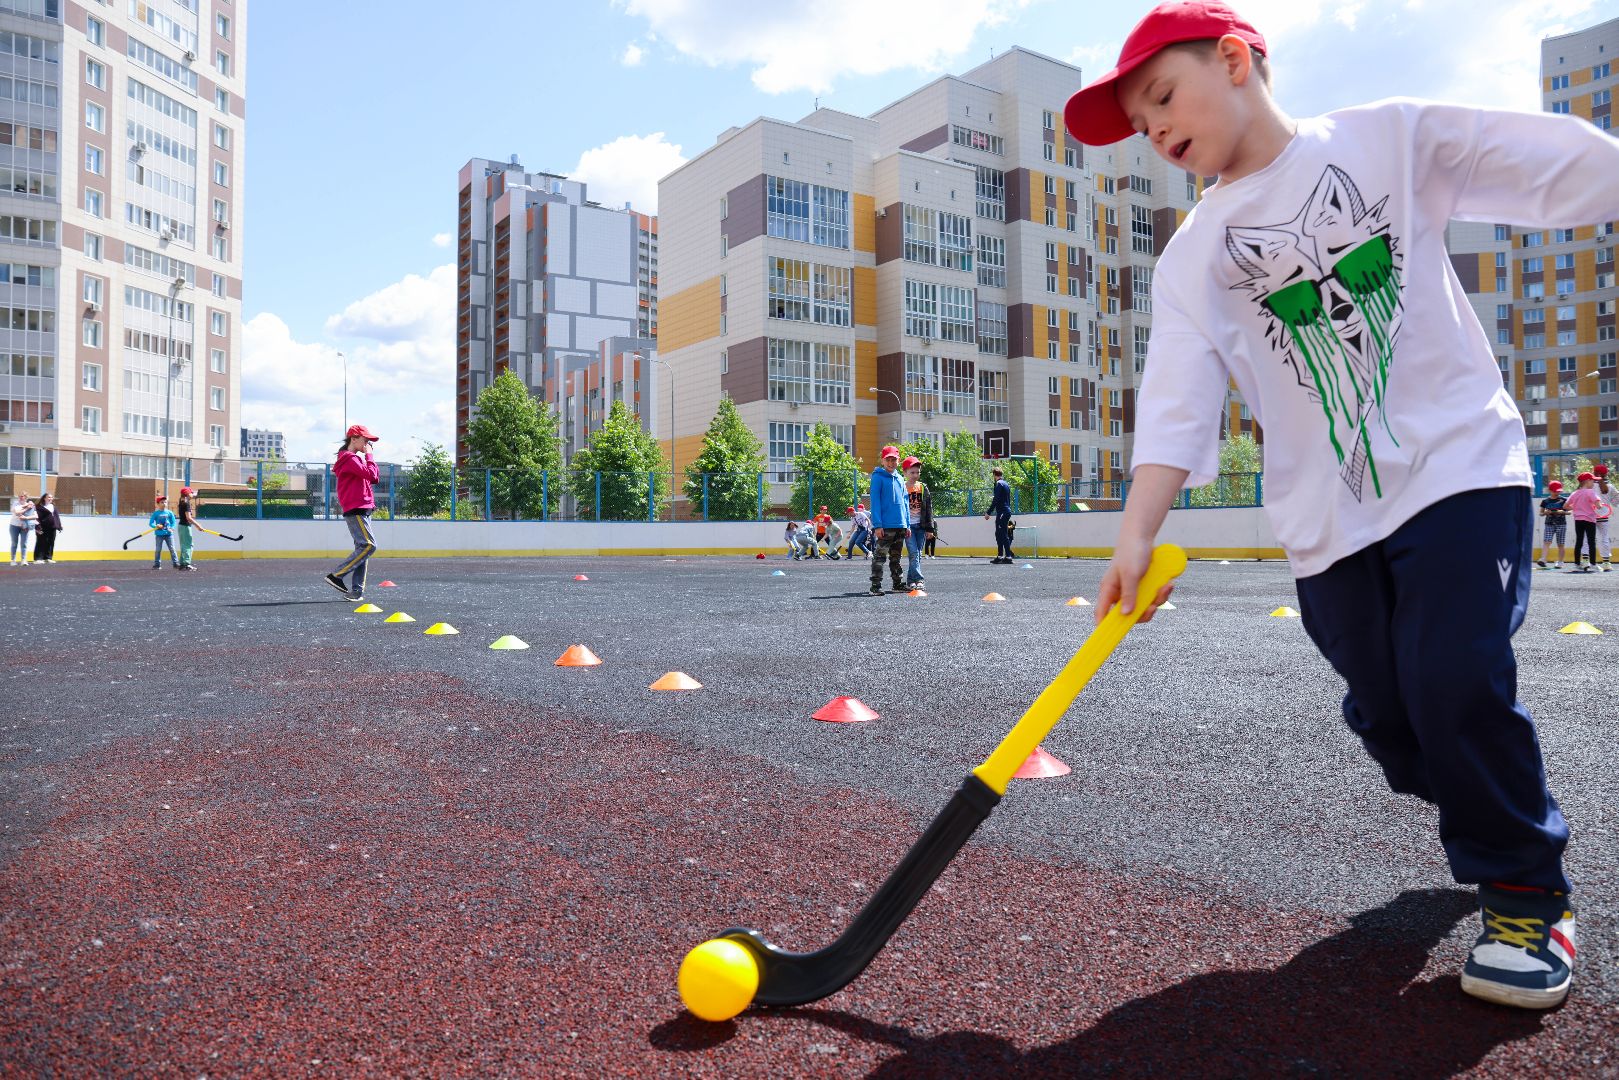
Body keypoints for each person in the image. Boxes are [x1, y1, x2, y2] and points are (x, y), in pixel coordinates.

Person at [1069, 0, 1614, 1009]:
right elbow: (1176, 398)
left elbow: (1548, 160)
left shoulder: (1382, 139)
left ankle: (1524, 895)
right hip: (1327, 521)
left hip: (1457, 469)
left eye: (1162, 98)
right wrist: (1134, 533)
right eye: (1141, 126)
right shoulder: (1194, 252)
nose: (1155, 130)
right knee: (1396, 722)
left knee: (1453, 678)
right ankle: (1472, 788)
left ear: (1233, 60)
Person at [325, 424, 380, 600]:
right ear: (354, 439)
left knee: (362, 549)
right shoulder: (349, 459)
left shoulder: (353, 459)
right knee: (369, 546)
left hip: (362, 507)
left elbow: (373, 477)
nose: (368, 444)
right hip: (357, 508)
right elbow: (373, 476)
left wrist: (368, 457)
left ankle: (357, 591)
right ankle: (337, 575)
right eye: (366, 440)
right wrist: (370, 455)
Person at [867, 445, 909, 595]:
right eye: (888, 460)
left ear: (898, 460)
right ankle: (875, 586)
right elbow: (875, 502)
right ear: (883, 461)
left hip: (900, 525)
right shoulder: (877, 477)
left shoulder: (900, 478)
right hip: (885, 526)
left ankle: (897, 584)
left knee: (896, 557)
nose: (891, 463)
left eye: (894, 460)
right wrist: (877, 525)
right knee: (880, 556)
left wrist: (907, 524)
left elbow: (905, 503)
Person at [900, 456, 934, 588]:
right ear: (905, 473)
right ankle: (919, 580)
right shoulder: (901, 487)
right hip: (908, 527)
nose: (915, 475)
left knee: (917, 554)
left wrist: (930, 528)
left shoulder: (923, 487)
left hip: (921, 526)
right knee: (914, 553)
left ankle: (910, 581)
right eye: (912, 472)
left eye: (917, 472)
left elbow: (929, 508)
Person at [1564, 472, 1601, 573]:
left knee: (1579, 541)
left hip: (1578, 520)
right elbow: (1598, 506)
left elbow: (1565, 506)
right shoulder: (1590, 492)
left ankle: (1576, 564)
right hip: (1590, 520)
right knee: (1591, 542)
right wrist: (1600, 505)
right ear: (1587, 481)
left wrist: (1576, 508)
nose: (1594, 482)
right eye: (1593, 480)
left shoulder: (1575, 493)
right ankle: (1593, 564)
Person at [984, 467, 1014, 563]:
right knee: (998, 533)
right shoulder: (1005, 484)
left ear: (994, 475)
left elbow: (996, 499)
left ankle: (1008, 557)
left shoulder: (999, 484)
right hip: (1004, 511)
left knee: (1003, 534)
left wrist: (988, 512)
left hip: (1003, 512)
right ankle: (1000, 556)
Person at [1537, 480, 1569, 569]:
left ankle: (1560, 561)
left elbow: (1569, 511)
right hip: (1549, 524)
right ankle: (1543, 559)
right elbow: (1541, 513)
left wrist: (1562, 512)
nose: (1557, 493)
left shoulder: (1563, 500)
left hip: (1561, 524)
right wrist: (1545, 513)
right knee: (1547, 541)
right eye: (1555, 491)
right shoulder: (1545, 501)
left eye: (1558, 491)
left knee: (1560, 544)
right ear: (1550, 490)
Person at [31, 492, 62, 564]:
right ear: (44, 498)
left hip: (52, 528)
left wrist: (59, 526)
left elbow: (57, 517)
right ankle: (38, 558)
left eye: (51, 497)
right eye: (48, 497)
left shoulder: (53, 506)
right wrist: (37, 527)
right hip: (42, 527)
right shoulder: (38, 507)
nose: (50, 498)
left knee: (51, 542)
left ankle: (48, 558)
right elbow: (36, 518)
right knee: (40, 542)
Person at [149, 495, 178, 569]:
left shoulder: (170, 513)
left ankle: (176, 563)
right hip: (159, 534)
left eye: (165, 502)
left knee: (172, 549)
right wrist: (156, 526)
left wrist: (172, 528)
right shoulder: (156, 513)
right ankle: (157, 564)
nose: (164, 503)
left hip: (169, 534)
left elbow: (173, 522)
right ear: (158, 504)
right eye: (162, 502)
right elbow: (151, 523)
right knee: (158, 550)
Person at [1593, 465, 1613, 571]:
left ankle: (1587, 561)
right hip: (1604, 515)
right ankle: (1606, 562)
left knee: (1588, 538)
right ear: (1605, 474)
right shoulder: (1610, 486)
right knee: (1604, 538)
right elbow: (1616, 499)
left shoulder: (1590, 485)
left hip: (1590, 515)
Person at [176, 486, 199, 572]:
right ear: (187, 494)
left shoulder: (182, 501)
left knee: (184, 545)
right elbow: (189, 518)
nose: (192, 494)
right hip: (185, 526)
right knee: (188, 545)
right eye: (191, 493)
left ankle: (182, 564)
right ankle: (187, 564)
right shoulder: (186, 504)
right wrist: (198, 526)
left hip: (181, 526)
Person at [8, 493, 34, 567]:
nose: (20, 497)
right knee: (14, 543)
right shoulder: (15, 503)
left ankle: (23, 560)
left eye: (22, 496)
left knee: (24, 543)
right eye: (19, 496)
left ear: (26, 497)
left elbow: (34, 515)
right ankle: (13, 560)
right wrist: (27, 508)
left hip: (25, 527)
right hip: (14, 526)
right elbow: (17, 512)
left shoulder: (30, 504)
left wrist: (26, 517)